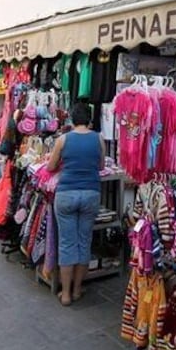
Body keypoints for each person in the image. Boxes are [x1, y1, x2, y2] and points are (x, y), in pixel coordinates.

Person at [47, 103, 105, 306]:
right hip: (90, 194)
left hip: (66, 195)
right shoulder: (98, 138)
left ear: (72, 119)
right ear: (89, 119)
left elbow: (51, 166)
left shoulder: (63, 140)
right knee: (84, 242)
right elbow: (101, 166)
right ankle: (78, 289)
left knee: (67, 244)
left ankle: (65, 294)